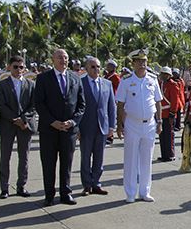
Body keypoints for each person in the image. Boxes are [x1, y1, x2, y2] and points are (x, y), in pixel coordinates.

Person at [34, 48, 86, 206]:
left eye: (66, 57)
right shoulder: (43, 79)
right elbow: (39, 104)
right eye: (60, 58)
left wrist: (72, 122)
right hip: (49, 129)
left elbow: (81, 105)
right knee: (49, 163)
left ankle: (66, 193)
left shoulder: (75, 78)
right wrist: (52, 122)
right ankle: (49, 194)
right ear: (53, 60)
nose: (63, 60)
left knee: (67, 163)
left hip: (69, 130)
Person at [115, 49, 163, 203]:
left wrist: (160, 121)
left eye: (145, 62)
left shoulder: (152, 79)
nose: (142, 64)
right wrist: (119, 125)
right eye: (139, 62)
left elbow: (158, 101)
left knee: (146, 160)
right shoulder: (126, 81)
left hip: (149, 124)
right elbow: (120, 104)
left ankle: (145, 191)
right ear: (133, 64)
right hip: (132, 124)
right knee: (130, 160)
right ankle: (130, 193)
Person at [0, 55, 37, 199]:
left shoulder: (31, 85)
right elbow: (0, 105)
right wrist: (14, 119)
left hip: (25, 126)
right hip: (8, 124)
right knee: (5, 157)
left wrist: (23, 119)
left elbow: (33, 105)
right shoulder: (2, 85)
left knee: (24, 157)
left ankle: (21, 186)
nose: (19, 70)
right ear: (9, 67)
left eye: (21, 67)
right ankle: (4, 188)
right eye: (15, 67)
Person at [78, 57, 115, 196]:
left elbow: (111, 106)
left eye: (98, 66)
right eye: (93, 67)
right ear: (86, 68)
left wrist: (112, 126)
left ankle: (96, 184)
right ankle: (87, 185)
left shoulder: (107, 84)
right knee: (85, 157)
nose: (96, 69)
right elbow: (77, 107)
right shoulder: (80, 83)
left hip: (102, 127)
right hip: (86, 127)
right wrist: (77, 128)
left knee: (99, 158)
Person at [158, 66, 180, 162]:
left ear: (168, 75)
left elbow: (175, 101)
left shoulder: (173, 85)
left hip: (169, 114)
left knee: (169, 135)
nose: (162, 75)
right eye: (161, 73)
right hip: (161, 114)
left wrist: (172, 114)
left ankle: (170, 154)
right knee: (162, 135)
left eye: (164, 74)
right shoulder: (161, 83)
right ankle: (164, 154)